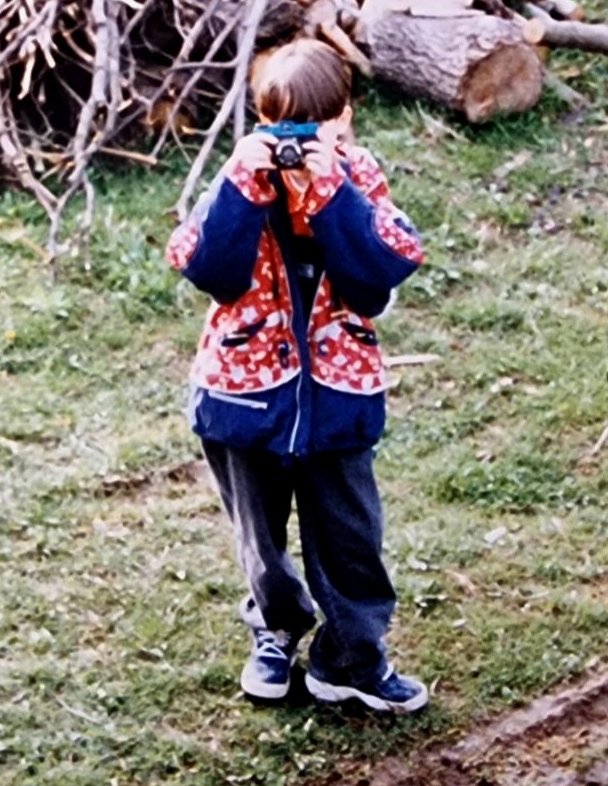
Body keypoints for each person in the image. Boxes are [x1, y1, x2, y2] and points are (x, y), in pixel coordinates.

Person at [165, 38, 428, 713]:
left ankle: (350, 660)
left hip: (338, 396)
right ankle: (274, 632)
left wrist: (330, 194)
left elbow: (374, 282)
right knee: (260, 540)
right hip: (241, 397)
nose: (296, 147)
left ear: (345, 116)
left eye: (314, 131)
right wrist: (243, 191)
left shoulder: (358, 176)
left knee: (349, 538)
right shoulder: (239, 181)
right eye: (281, 131)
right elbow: (209, 271)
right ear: (259, 125)